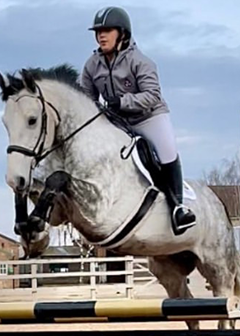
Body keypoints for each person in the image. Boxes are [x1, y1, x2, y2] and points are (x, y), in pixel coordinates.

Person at [78, 6, 197, 235]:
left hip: (148, 117)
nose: (101, 35)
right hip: (118, 122)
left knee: (167, 151)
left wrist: (122, 102)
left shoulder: (141, 61)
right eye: (98, 31)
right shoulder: (91, 65)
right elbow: (86, 98)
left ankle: (178, 208)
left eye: (107, 30)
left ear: (122, 34)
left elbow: (152, 95)